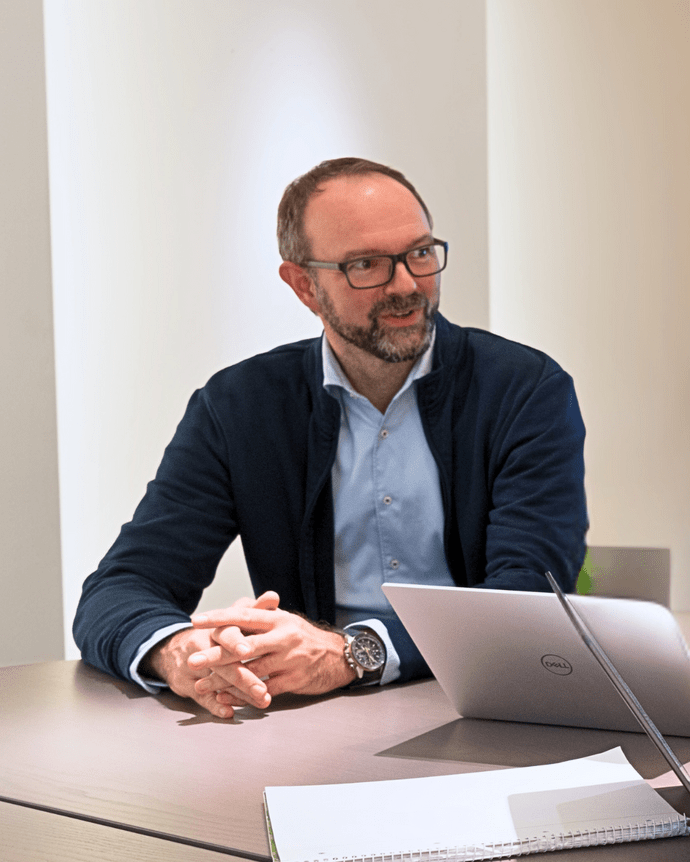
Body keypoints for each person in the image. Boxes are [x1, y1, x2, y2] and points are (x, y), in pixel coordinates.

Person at [74, 157, 588, 719]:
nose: (407, 285)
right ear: (304, 286)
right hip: (310, 721)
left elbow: (528, 598)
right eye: (367, 265)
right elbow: (121, 587)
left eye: (420, 253)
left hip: (487, 709)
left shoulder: (524, 389)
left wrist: (352, 652)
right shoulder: (240, 405)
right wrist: (181, 654)